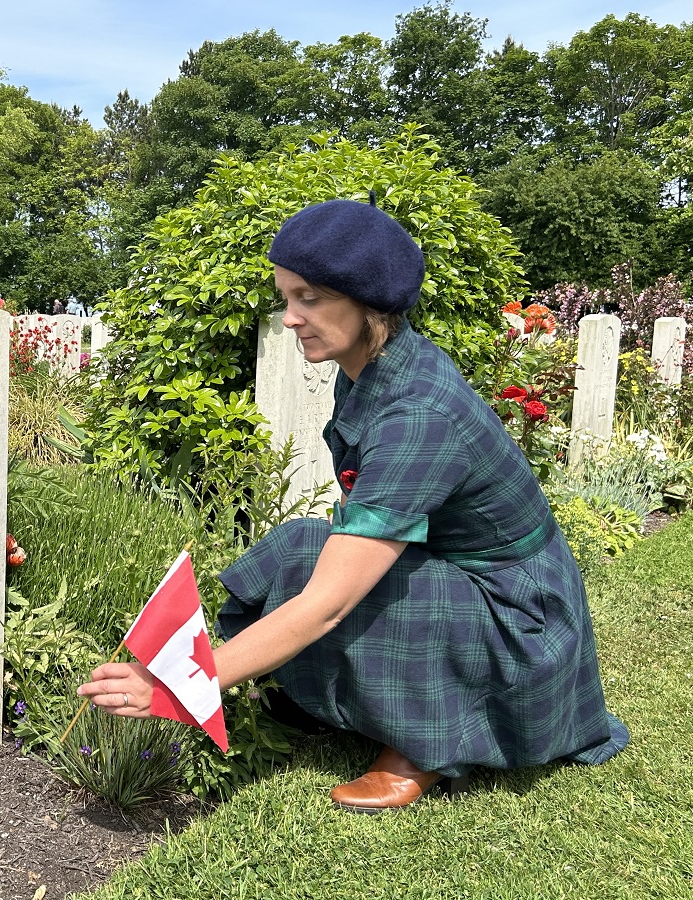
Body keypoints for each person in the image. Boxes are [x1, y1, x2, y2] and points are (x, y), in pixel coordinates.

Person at [78, 198, 628, 813]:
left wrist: (179, 683)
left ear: (370, 303)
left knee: (346, 593)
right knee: (299, 549)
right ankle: (319, 699)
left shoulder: (418, 415)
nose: (291, 318)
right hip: (463, 572)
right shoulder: (371, 364)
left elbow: (328, 605)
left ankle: (423, 746)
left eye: (309, 298)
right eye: (287, 297)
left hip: (518, 623)